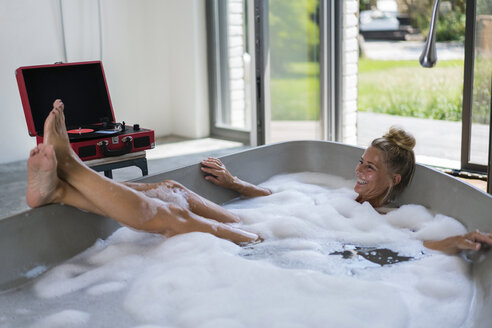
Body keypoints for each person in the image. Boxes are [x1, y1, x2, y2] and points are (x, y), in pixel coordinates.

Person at [200, 128, 492, 255]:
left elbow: (417, 244)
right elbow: (281, 198)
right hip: (290, 236)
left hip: (307, 249)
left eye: (370, 168)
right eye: (361, 163)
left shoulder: (387, 217)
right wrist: (234, 183)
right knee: (183, 202)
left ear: (394, 179)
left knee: (185, 206)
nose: (358, 172)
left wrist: (461, 240)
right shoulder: (342, 197)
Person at [27, 100, 259, 244]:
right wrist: (236, 183)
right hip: (262, 226)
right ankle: (59, 190)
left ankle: (71, 168)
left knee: (176, 216)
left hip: (263, 243)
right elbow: (270, 194)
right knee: (173, 189)